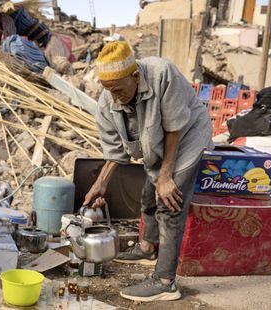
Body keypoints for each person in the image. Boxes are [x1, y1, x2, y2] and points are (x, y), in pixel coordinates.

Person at [83, 41, 213, 301]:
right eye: (109, 91)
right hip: (155, 140)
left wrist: (165, 177)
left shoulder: (162, 73)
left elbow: (173, 128)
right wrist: (101, 184)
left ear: (135, 76)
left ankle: (165, 282)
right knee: (147, 194)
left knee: (168, 202)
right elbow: (116, 152)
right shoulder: (107, 103)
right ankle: (146, 247)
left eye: (119, 90)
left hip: (186, 136)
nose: (115, 97)